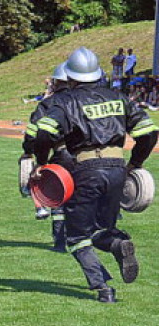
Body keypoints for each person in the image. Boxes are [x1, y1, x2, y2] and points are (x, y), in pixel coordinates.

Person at [34, 47, 158, 302]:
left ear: (70, 77)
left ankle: (103, 289)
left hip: (85, 169)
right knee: (103, 227)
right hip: (117, 169)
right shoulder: (118, 96)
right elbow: (149, 132)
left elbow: (44, 131)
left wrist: (41, 162)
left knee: (77, 236)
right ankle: (117, 244)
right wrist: (134, 164)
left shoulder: (65, 100)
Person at [21, 63, 74, 250]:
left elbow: (33, 131)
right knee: (83, 198)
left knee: (59, 199)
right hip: (87, 157)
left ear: (56, 81)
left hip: (62, 155)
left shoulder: (49, 103)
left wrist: (28, 151)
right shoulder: (83, 99)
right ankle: (84, 239)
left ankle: (60, 242)